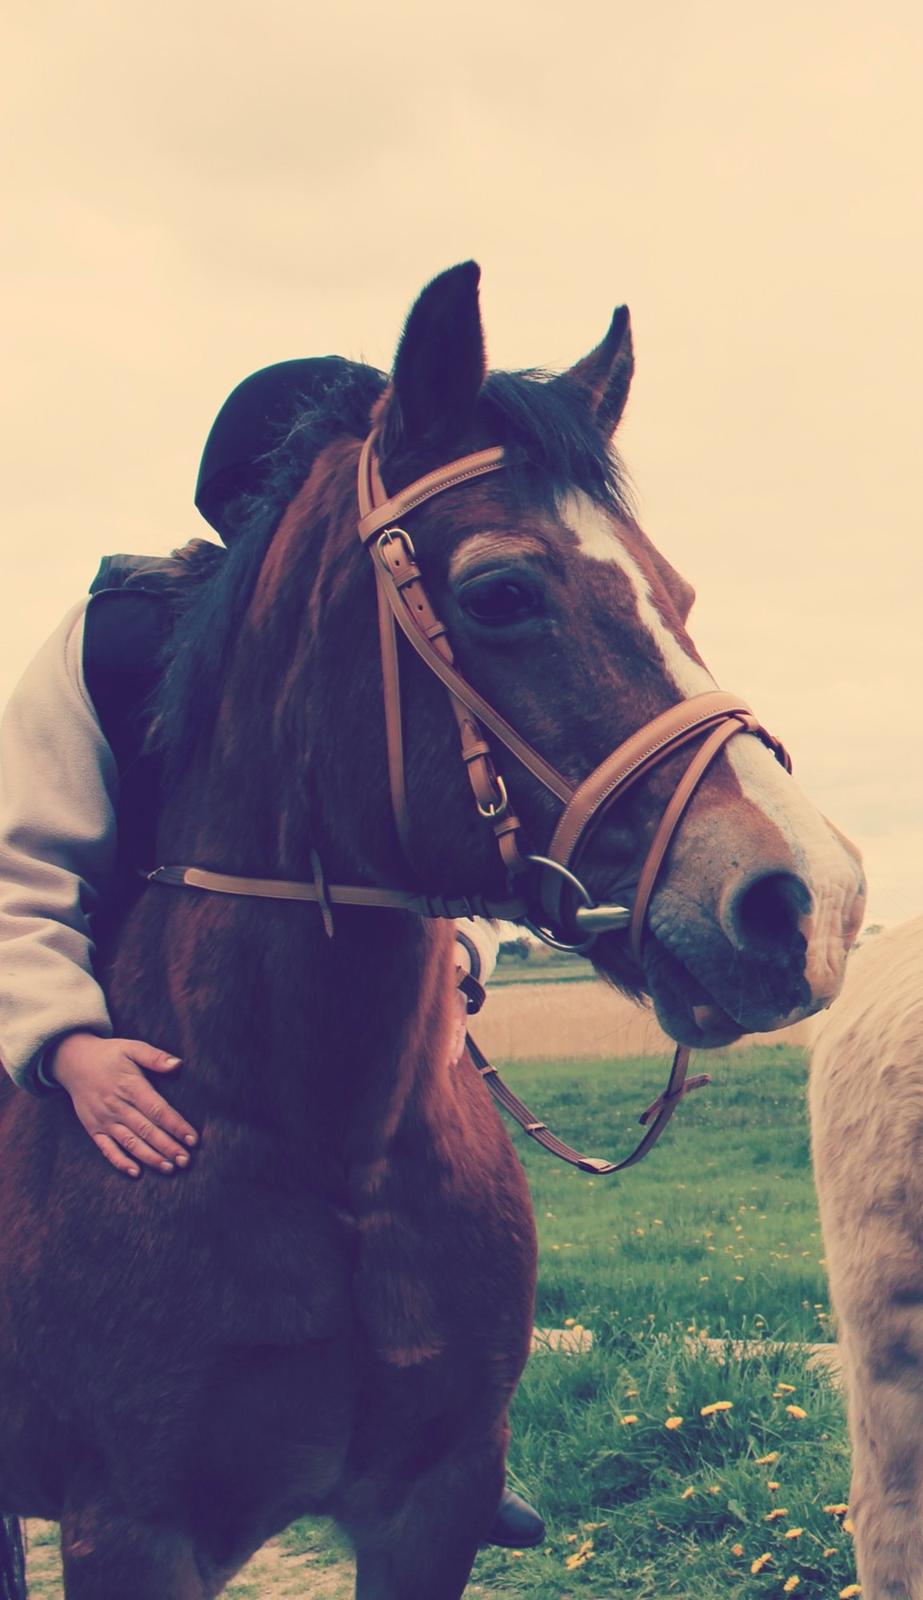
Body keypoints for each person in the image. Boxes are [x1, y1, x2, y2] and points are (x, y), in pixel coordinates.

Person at [0, 357, 543, 1549]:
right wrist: (65, 1045)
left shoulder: (393, 634)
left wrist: (462, 952)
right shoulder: (117, 634)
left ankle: (447, 1439)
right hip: (122, 1012)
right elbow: (21, 863)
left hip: (356, 1028)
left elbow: (442, 813)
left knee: (459, 1199)